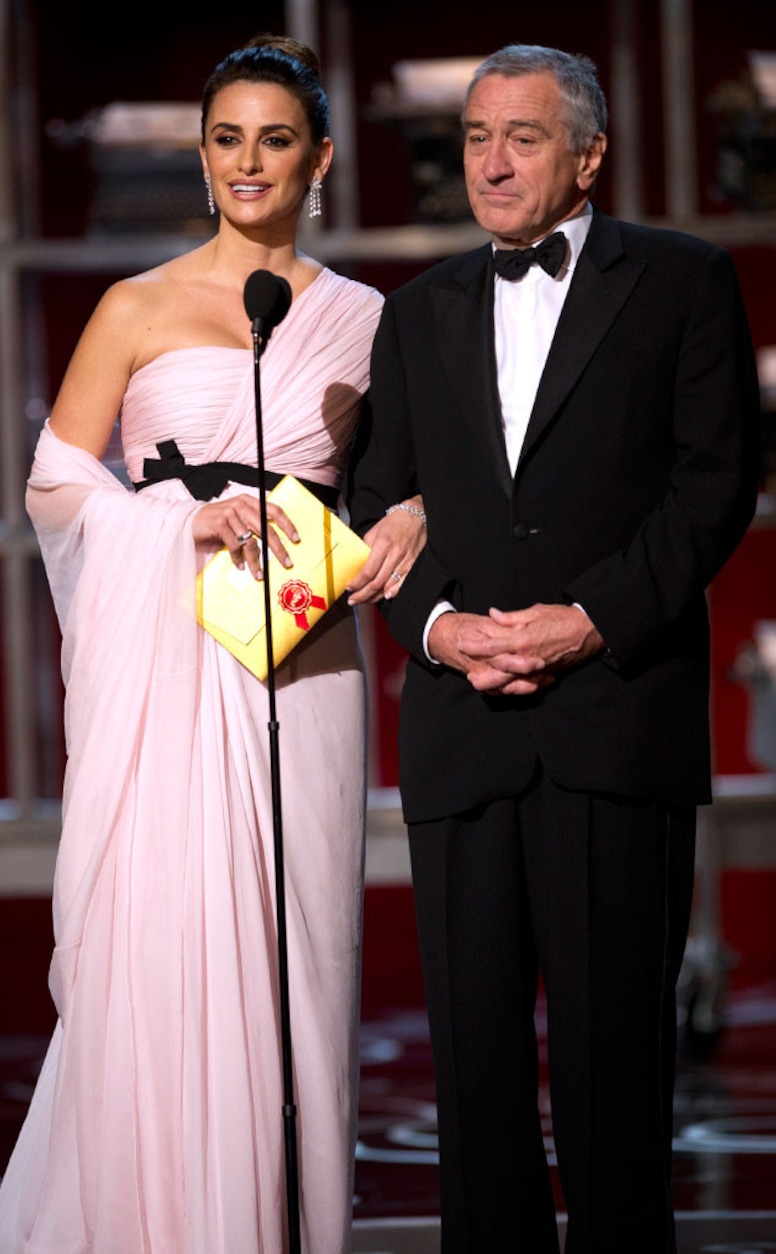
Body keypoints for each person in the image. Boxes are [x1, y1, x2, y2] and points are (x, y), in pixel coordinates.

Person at [0, 33, 425, 1254]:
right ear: (200, 160)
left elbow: (402, 480)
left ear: (320, 159)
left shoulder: (366, 318)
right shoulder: (132, 305)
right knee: (174, 961)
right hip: (170, 659)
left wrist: (404, 513)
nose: (250, 162)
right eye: (227, 139)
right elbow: (57, 489)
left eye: (276, 138)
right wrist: (176, 524)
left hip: (308, 665)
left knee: (300, 962)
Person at [346, 42, 761, 1254]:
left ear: (587, 155)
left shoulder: (682, 281)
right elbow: (381, 506)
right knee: (472, 1077)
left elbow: (713, 487)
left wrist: (589, 619)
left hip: (612, 723)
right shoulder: (416, 313)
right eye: (474, 136)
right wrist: (435, 626)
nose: (490, 159)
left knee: (612, 1076)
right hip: (460, 730)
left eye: (521, 136)